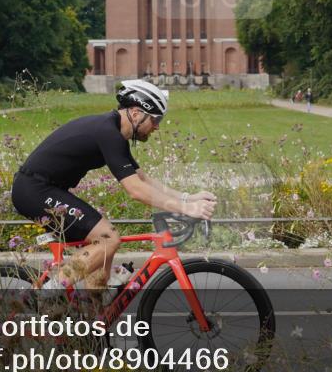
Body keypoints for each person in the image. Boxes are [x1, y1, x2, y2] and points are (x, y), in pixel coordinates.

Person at [11, 80, 216, 291]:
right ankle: (46, 295)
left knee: (103, 255)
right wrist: (185, 209)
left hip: (43, 189)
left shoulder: (112, 131)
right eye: (155, 119)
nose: (157, 126)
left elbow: (142, 179)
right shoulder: (108, 133)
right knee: (108, 239)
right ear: (136, 113)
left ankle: (94, 318)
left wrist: (187, 197)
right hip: (34, 189)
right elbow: (135, 190)